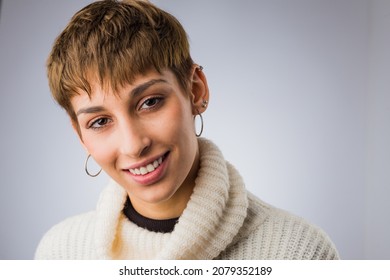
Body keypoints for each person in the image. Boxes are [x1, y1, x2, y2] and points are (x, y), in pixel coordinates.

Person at [35, 0, 339, 260]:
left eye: (150, 102)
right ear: (81, 137)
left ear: (195, 90)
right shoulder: (59, 253)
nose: (132, 145)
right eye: (99, 122)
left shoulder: (298, 253)